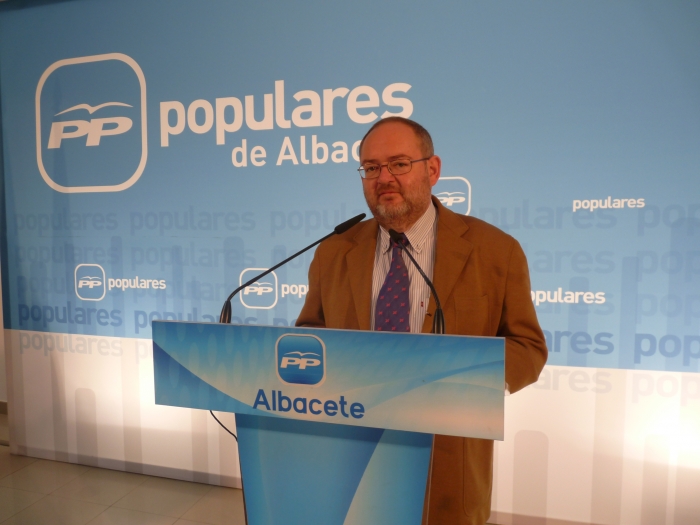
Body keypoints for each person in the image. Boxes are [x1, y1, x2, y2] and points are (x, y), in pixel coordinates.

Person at [296, 116, 547, 525]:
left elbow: (528, 347)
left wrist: (471, 381)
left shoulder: (495, 250)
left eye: (398, 163)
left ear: (432, 169)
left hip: (447, 462)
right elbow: (310, 334)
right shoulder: (334, 251)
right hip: (352, 458)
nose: (384, 178)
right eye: (371, 168)